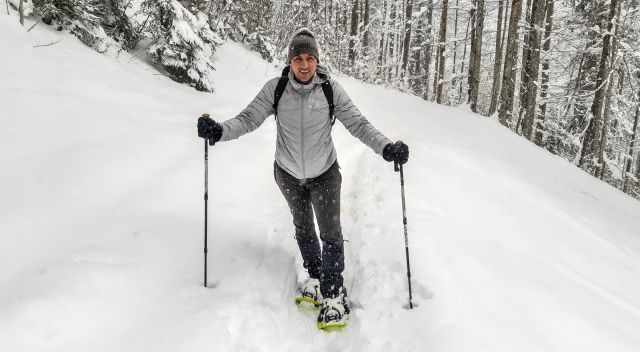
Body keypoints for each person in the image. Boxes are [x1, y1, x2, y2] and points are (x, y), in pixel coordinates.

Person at [197, 28, 409, 330]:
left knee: (330, 233)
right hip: (287, 173)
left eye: (310, 58)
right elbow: (247, 119)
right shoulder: (276, 89)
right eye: (298, 58)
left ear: (317, 61)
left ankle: (334, 295)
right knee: (303, 227)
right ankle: (315, 274)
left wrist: (387, 147)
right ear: (290, 61)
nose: (305, 65)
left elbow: (358, 124)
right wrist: (219, 131)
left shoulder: (330, 90)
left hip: (325, 174)